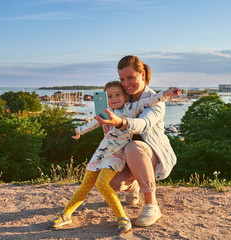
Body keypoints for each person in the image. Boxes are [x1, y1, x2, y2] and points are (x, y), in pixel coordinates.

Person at [48, 80, 180, 233]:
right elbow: (93, 123)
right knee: (85, 184)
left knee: (103, 184)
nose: (114, 98)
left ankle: (122, 218)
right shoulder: (106, 112)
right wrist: (79, 131)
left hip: (117, 155)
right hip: (101, 153)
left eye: (118, 94)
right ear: (106, 99)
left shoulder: (131, 108)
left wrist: (166, 94)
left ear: (125, 96)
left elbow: (149, 101)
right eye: (110, 96)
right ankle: (66, 214)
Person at [95, 55, 178, 227]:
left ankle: (151, 204)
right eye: (122, 79)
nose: (126, 83)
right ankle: (134, 187)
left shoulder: (155, 100)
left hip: (150, 153)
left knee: (134, 147)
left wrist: (120, 123)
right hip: (125, 154)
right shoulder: (123, 97)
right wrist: (107, 122)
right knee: (110, 180)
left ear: (142, 74)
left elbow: (143, 124)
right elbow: (112, 116)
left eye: (130, 77)